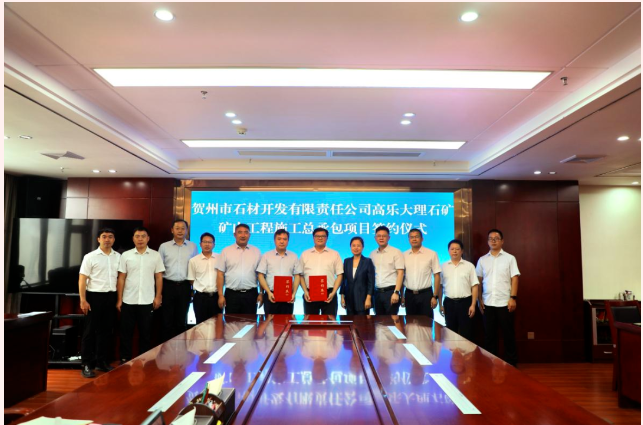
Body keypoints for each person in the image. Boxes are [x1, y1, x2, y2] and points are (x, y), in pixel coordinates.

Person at [117, 227, 165, 363]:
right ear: (133, 239)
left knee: (146, 333)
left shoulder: (155, 255)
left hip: (147, 300)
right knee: (126, 332)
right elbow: (121, 278)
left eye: (143, 236)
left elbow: (159, 277)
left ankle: (144, 359)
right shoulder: (126, 255)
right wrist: (119, 299)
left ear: (148, 238)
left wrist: (158, 296)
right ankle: (125, 358)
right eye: (137, 236)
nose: (140, 239)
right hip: (128, 300)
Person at [78, 228, 120, 378]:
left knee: (106, 331)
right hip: (94, 297)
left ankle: (101, 362)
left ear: (114, 239)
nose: (107, 239)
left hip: (111, 296)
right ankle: (86, 364)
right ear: (98, 239)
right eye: (104, 236)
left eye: (110, 236)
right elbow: (82, 279)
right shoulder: (90, 257)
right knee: (89, 331)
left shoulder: (118, 257)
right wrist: (83, 299)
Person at [476, 229, 521, 366]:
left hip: (505, 302)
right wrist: (479, 299)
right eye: (490, 238)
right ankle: (490, 362)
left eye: (496, 238)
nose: (493, 240)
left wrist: (513, 298)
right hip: (487, 302)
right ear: (487, 241)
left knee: (508, 334)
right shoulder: (482, 260)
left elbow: (515, 278)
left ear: (502, 241)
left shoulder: (510, 258)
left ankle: (511, 363)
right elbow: (478, 281)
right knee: (489, 335)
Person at [158, 219, 198, 341]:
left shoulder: (193, 246)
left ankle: (180, 348)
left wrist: (193, 288)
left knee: (181, 320)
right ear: (172, 230)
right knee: (166, 320)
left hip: (185, 286)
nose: (180, 231)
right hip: (168, 286)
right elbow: (158, 269)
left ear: (187, 230)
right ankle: (165, 348)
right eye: (177, 228)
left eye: (183, 228)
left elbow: (195, 268)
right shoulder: (164, 246)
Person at [216, 223, 262, 314]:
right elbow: (220, 274)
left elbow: (260, 275)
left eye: (246, 232)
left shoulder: (256, 251)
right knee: (231, 321)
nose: (243, 235)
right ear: (235, 234)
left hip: (251, 294)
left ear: (249, 235)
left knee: (250, 321)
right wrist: (220, 295)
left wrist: (261, 293)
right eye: (240, 232)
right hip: (232, 295)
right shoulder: (226, 251)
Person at [440, 239, 479, 340]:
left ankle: (466, 351)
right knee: (450, 332)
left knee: (467, 332)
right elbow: (440, 286)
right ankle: (452, 351)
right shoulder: (443, 266)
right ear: (448, 251)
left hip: (465, 303)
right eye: (452, 249)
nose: (455, 251)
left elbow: (474, 286)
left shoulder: (469, 266)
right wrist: (440, 304)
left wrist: (473, 305)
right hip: (449, 303)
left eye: (457, 249)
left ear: (462, 251)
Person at [299, 227, 344, 315]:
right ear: (313, 238)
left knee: (330, 322)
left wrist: (334, 292)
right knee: (311, 322)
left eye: (323, 236)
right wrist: (305, 291)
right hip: (310, 293)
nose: (320, 238)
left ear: (327, 238)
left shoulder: (334, 254)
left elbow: (340, 274)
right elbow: (300, 275)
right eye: (317, 236)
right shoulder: (305, 254)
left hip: (329, 294)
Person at [257, 229, 302, 314]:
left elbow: (297, 276)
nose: (282, 241)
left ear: (288, 241)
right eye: (279, 239)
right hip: (271, 295)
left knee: (286, 320)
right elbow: (260, 275)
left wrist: (294, 293)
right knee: (270, 321)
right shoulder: (267, 256)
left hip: (287, 295)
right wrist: (268, 292)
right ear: (274, 240)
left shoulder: (293, 256)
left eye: (284, 239)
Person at [403, 228, 441, 317]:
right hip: (409, 295)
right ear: (409, 239)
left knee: (427, 322)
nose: (414, 239)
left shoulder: (431, 254)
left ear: (422, 239)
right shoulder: (404, 255)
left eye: (417, 237)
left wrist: (435, 296)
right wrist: (402, 295)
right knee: (410, 322)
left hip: (426, 295)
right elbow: (402, 276)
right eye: (411, 237)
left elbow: (437, 276)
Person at [370, 226, 405, 315]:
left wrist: (396, 292)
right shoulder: (372, 254)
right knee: (378, 321)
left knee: (391, 321)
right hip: (377, 293)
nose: (381, 238)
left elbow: (400, 273)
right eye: (379, 236)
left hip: (391, 292)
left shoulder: (396, 252)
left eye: (384, 236)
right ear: (375, 238)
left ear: (388, 237)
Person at [188, 232, 219, 324]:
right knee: (201, 325)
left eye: (210, 242)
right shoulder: (193, 260)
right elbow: (191, 279)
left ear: (214, 245)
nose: (207, 244)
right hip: (200, 298)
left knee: (216, 324)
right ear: (200, 244)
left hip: (216, 297)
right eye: (204, 242)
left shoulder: (220, 258)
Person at [340, 236, 375, 315]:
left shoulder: (367, 261)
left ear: (362, 247)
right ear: (350, 247)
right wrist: (342, 297)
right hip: (349, 299)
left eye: (358, 246)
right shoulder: (346, 261)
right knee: (350, 320)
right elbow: (344, 281)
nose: (356, 248)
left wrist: (368, 298)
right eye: (353, 245)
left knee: (362, 322)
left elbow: (371, 282)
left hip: (363, 299)